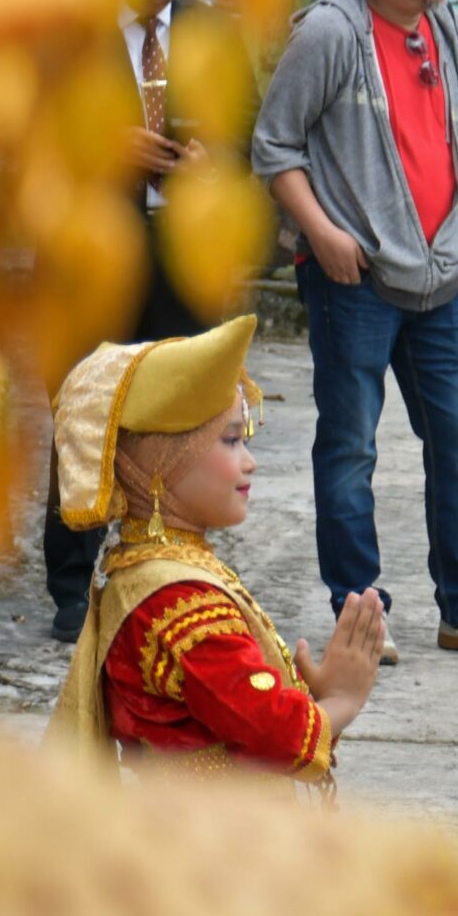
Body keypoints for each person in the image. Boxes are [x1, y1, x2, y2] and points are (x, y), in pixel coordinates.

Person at [250, 0, 458, 665]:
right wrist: (323, 233)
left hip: (442, 276)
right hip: (356, 279)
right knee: (349, 448)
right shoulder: (331, 33)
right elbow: (275, 148)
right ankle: (359, 611)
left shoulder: (444, 26)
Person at [46, 315, 386, 786]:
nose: (250, 461)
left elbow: (227, 710)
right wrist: (343, 700)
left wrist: (311, 697)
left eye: (245, 440)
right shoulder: (175, 600)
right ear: (161, 466)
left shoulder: (153, 569)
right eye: (229, 441)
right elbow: (271, 734)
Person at [45, 0, 231, 644]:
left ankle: (171, 564)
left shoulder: (210, 30)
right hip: (99, 247)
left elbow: (246, 127)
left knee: (183, 410)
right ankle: (71, 579)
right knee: (88, 403)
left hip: (182, 248)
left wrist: (213, 159)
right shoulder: (78, 31)